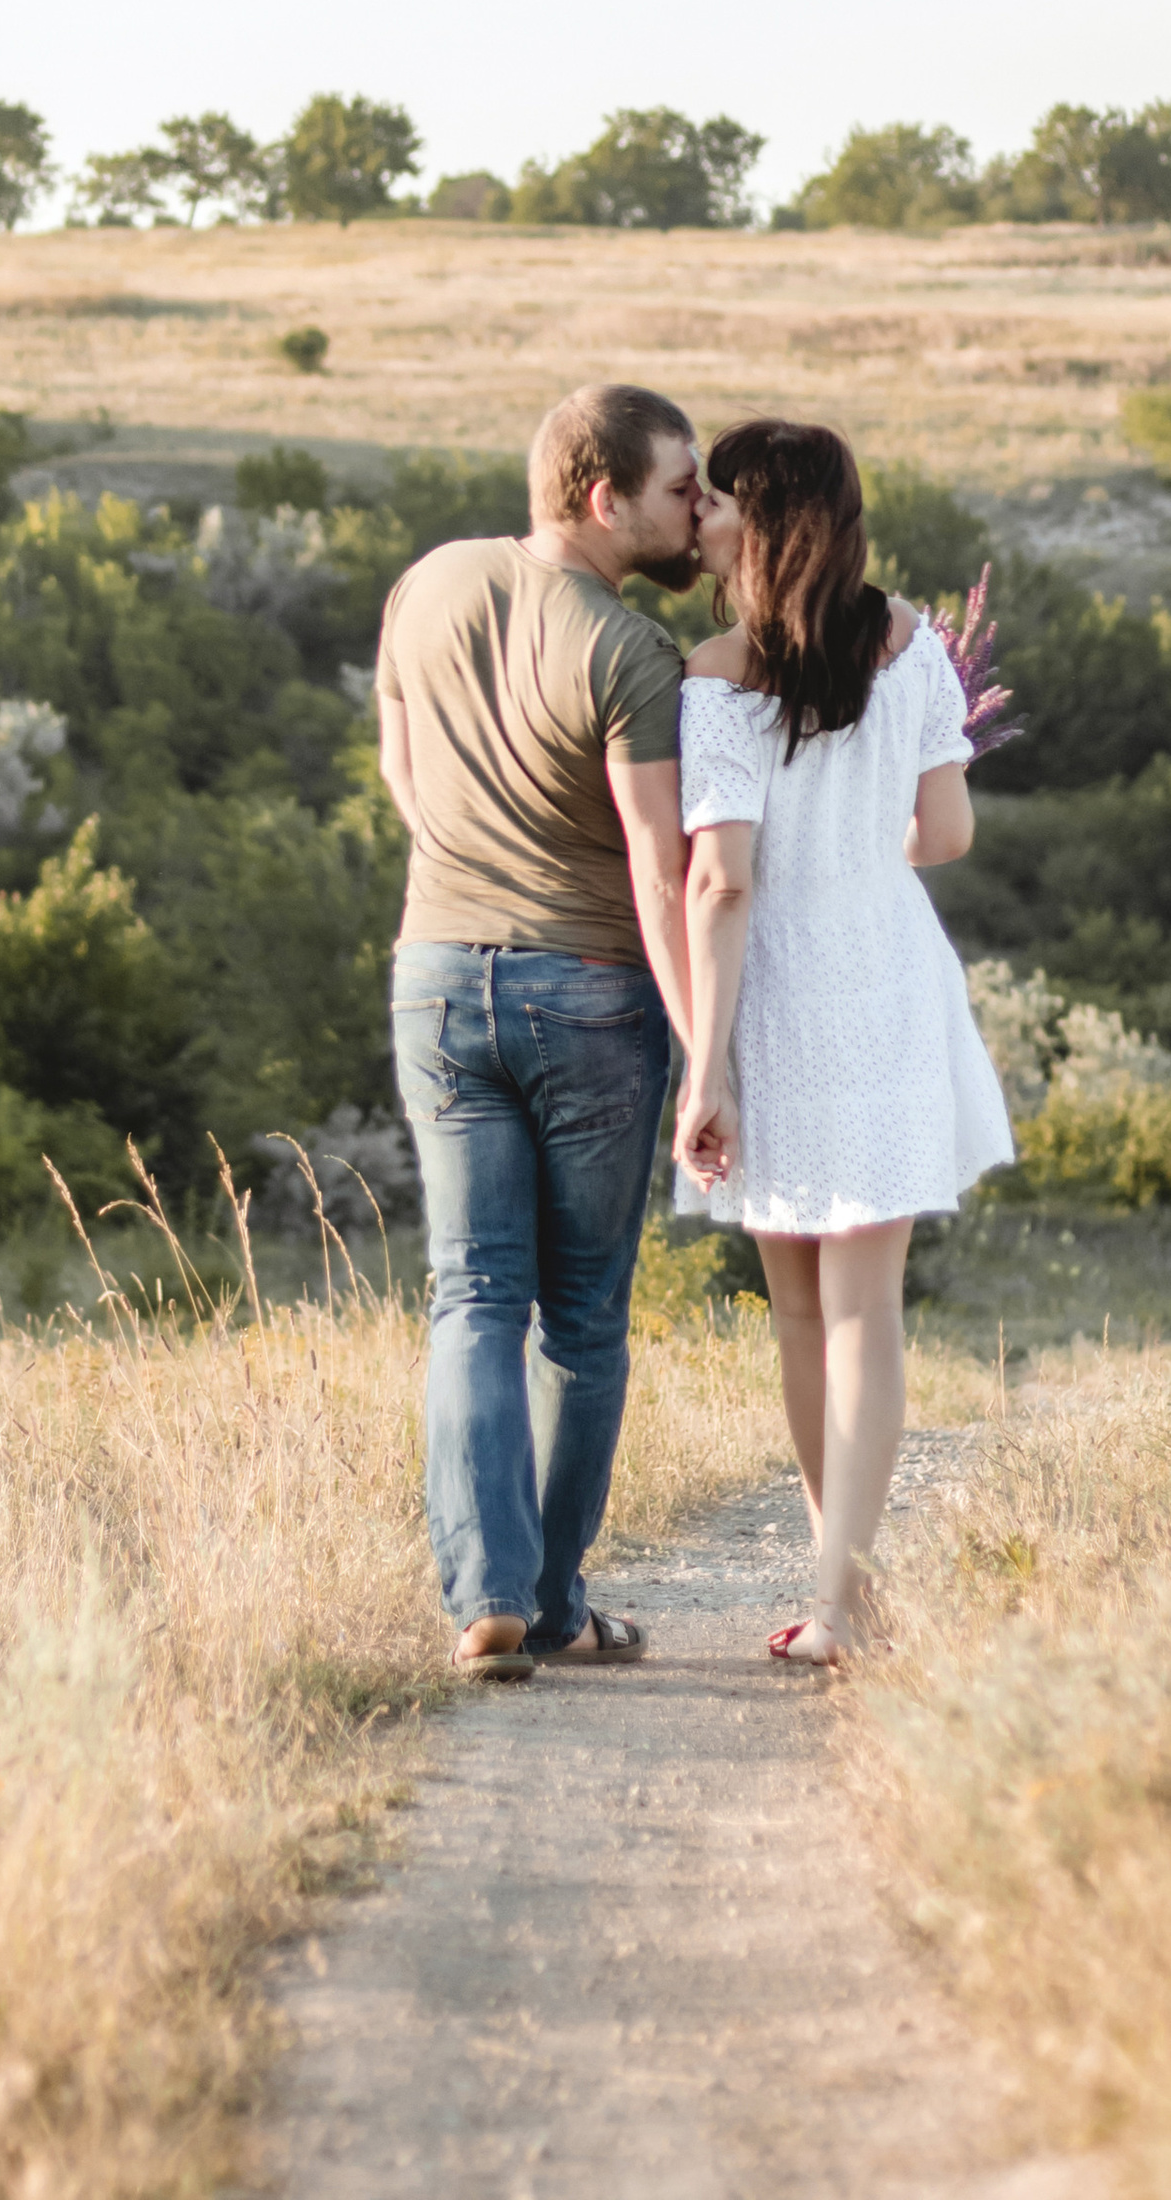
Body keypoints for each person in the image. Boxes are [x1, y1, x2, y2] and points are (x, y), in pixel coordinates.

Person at [672, 417, 1013, 1667]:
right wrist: (862, 841)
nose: (700, 516)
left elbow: (722, 884)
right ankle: (841, 1594)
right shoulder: (912, 641)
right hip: (889, 974)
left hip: (779, 992)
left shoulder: (716, 676)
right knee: (869, 1309)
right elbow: (949, 832)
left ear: (761, 520)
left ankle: (843, 1597)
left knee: (803, 1317)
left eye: (718, 500)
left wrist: (705, 1069)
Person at [378, 383, 703, 1680]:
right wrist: (708, 1053)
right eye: (679, 488)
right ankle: (556, 1605)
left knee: (472, 1293)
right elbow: (662, 872)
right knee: (579, 1317)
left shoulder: (427, 584)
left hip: (436, 976)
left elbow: (401, 770)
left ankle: (486, 1598)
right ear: (602, 496)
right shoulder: (631, 653)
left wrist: (464, 862)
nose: (698, 510)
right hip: (591, 992)